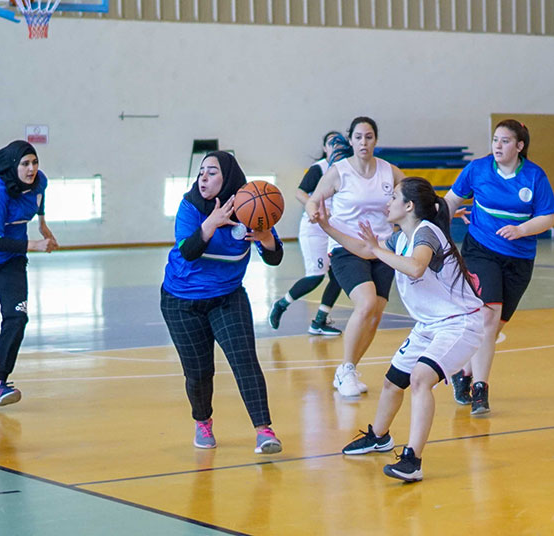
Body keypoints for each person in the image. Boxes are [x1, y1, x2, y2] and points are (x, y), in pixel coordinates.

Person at [320, 177, 483, 482]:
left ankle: (413, 460)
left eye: (393, 197)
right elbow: (366, 250)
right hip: (429, 325)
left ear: (408, 206)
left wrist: (376, 250)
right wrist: (327, 227)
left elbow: (416, 266)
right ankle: (379, 436)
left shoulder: (427, 233)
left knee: (420, 378)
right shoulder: (400, 237)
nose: (388, 202)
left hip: (460, 322)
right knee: (393, 383)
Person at [160, 151, 283, 454]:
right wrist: (211, 224)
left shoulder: (249, 206)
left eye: (212, 172)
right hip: (181, 300)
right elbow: (188, 251)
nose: (203, 176)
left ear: (227, 177)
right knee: (199, 372)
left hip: (227, 297)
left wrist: (267, 239)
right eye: (201, 171)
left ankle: (264, 431)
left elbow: (275, 256)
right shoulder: (190, 206)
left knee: (244, 360)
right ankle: (203, 422)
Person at [443, 119, 554, 414]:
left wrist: (521, 230)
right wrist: (440, 228)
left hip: (519, 258)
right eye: (495, 139)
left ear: (519, 146)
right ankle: (481, 390)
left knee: (492, 328)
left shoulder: (534, 177)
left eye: (505, 141)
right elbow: (451, 200)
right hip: (481, 250)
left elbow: (547, 218)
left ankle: (463, 373)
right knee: (488, 317)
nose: (498, 145)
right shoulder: (478, 170)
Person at [304, 117, 406, 398]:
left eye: (369, 137)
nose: (364, 142)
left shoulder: (389, 171)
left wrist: (439, 208)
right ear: (350, 140)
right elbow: (314, 198)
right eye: (359, 137)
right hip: (346, 248)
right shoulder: (340, 171)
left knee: (375, 315)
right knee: (366, 303)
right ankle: (347, 369)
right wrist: (314, 210)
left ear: (376, 140)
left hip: (382, 248)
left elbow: (414, 197)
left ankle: (347, 370)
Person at [0, 141, 58, 406]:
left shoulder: (40, 181)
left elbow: (39, 201)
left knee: (17, 316)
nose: (31, 169)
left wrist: (43, 225)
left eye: (34, 162)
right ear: (14, 165)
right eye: (25, 164)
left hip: (12, 261)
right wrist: (35, 244)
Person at [269, 131, 344, 336]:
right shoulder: (319, 168)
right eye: (331, 143)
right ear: (325, 148)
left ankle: (319, 321)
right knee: (315, 277)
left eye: (339, 143)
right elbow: (299, 192)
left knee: (338, 276)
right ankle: (281, 305)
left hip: (335, 229)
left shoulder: (346, 169)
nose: (335, 147)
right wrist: (314, 208)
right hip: (314, 229)